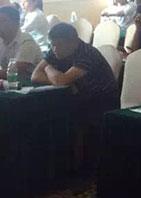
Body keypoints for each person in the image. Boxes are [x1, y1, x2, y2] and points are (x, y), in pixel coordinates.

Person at [31, 23, 119, 169]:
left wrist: (49, 68)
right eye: (52, 45)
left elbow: (61, 81)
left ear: (73, 42)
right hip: (77, 98)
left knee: (58, 116)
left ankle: (73, 166)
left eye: (58, 45)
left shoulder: (87, 54)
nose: (54, 49)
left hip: (101, 102)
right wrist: (59, 80)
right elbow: (35, 76)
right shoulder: (56, 50)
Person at [0, 6, 43, 80]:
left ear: (16, 23)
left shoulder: (26, 42)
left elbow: (13, 72)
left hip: (33, 84)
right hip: (11, 83)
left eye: (2, 21)